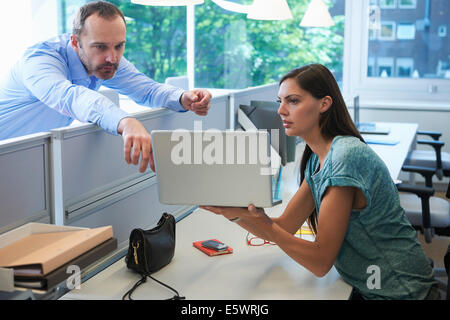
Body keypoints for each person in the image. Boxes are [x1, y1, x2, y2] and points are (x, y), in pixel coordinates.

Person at [202, 64, 440, 300]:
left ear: (324, 104)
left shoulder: (344, 157)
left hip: (399, 291)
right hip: (371, 285)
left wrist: (262, 223)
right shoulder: (318, 158)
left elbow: (320, 261)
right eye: (280, 101)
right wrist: (231, 212)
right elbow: (285, 226)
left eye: (293, 101)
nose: (281, 111)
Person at [0, 1, 211, 173]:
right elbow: (70, 97)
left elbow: (147, 89)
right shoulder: (39, 60)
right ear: (75, 42)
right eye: (100, 46)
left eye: (119, 46)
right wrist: (125, 122)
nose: (112, 57)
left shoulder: (104, 60)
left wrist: (184, 97)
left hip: (26, 160)